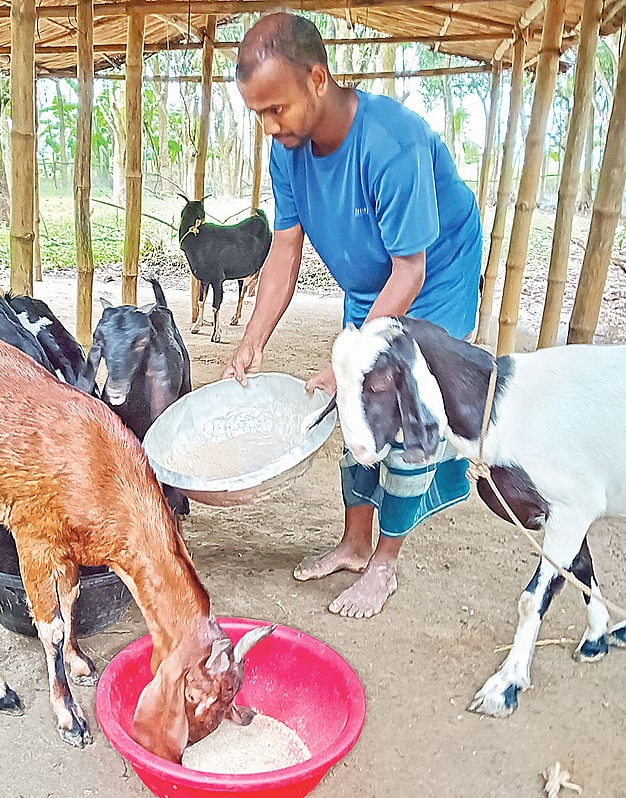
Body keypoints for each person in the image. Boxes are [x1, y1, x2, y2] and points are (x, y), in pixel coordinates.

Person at [224, 12, 484, 619]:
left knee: (404, 409)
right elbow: (285, 249)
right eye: (257, 113)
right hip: (376, 275)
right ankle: (354, 541)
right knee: (355, 405)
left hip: (430, 273)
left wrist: (347, 359)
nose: (269, 126)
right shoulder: (287, 152)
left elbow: (411, 271)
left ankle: (384, 562)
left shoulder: (392, 144)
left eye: (276, 109)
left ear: (318, 78)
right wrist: (252, 338)